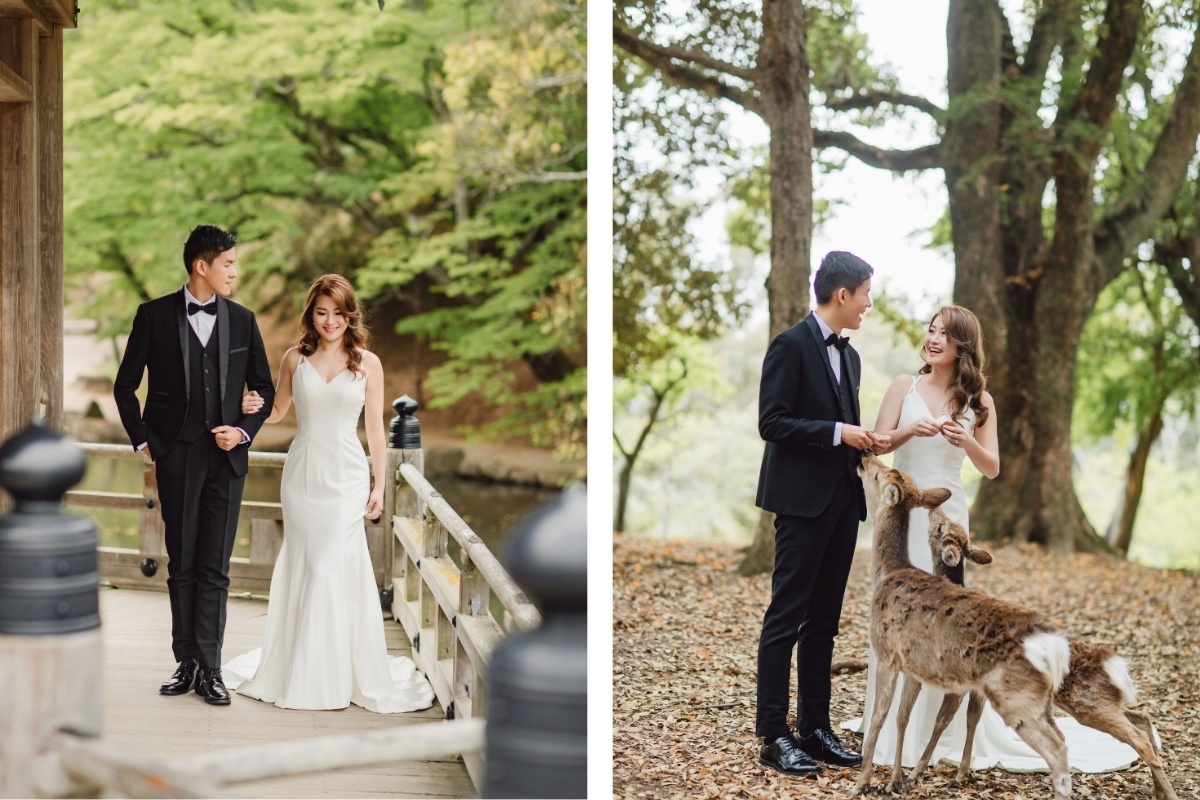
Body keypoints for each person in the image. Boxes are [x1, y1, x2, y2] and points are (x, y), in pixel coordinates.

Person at [846, 305, 1138, 773]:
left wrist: (966, 442)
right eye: (931, 330)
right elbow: (878, 446)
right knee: (900, 617)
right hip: (902, 516)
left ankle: (948, 732)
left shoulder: (979, 402)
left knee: (946, 619)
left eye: (944, 333)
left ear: (963, 345)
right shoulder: (905, 386)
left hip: (948, 517)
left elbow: (992, 466)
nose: (932, 338)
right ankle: (891, 731)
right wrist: (909, 429)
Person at [222, 274, 433, 713]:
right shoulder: (293, 360)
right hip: (303, 476)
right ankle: (302, 669)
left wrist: (379, 483)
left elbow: (375, 428)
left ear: (349, 314)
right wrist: (252, 406)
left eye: (338, 313)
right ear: (311, 315)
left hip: (347, 476)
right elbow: (279, 411)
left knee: (333, 566)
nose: (330, 321)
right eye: (321, 312)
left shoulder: (368, 363)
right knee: (309, 562)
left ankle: (339, 671)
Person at [113, 224, 276, 705]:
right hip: (176, 454)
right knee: (181, 563)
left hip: (226, 458)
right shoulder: (154, 315)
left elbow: (263, 389)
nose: (235, 271)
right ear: (201, 266)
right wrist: (143, 439)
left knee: (215, 567)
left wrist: (245, 430)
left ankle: (212, 668)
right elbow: (125, 386)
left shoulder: (244, 321)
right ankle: (185, 661)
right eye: (228, 263)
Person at [753, 251, 889, 776]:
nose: (868, 305)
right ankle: (773, 735)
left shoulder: (851, 359)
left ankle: (814, 729)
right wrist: (838, 432)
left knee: (824, 624)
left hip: (841, 501)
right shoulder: (788, 346)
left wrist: (863, 442)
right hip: (799, 502)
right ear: (842, 295)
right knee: (785, 618)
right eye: (866, 294)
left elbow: (846, 428)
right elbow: (773, 423)